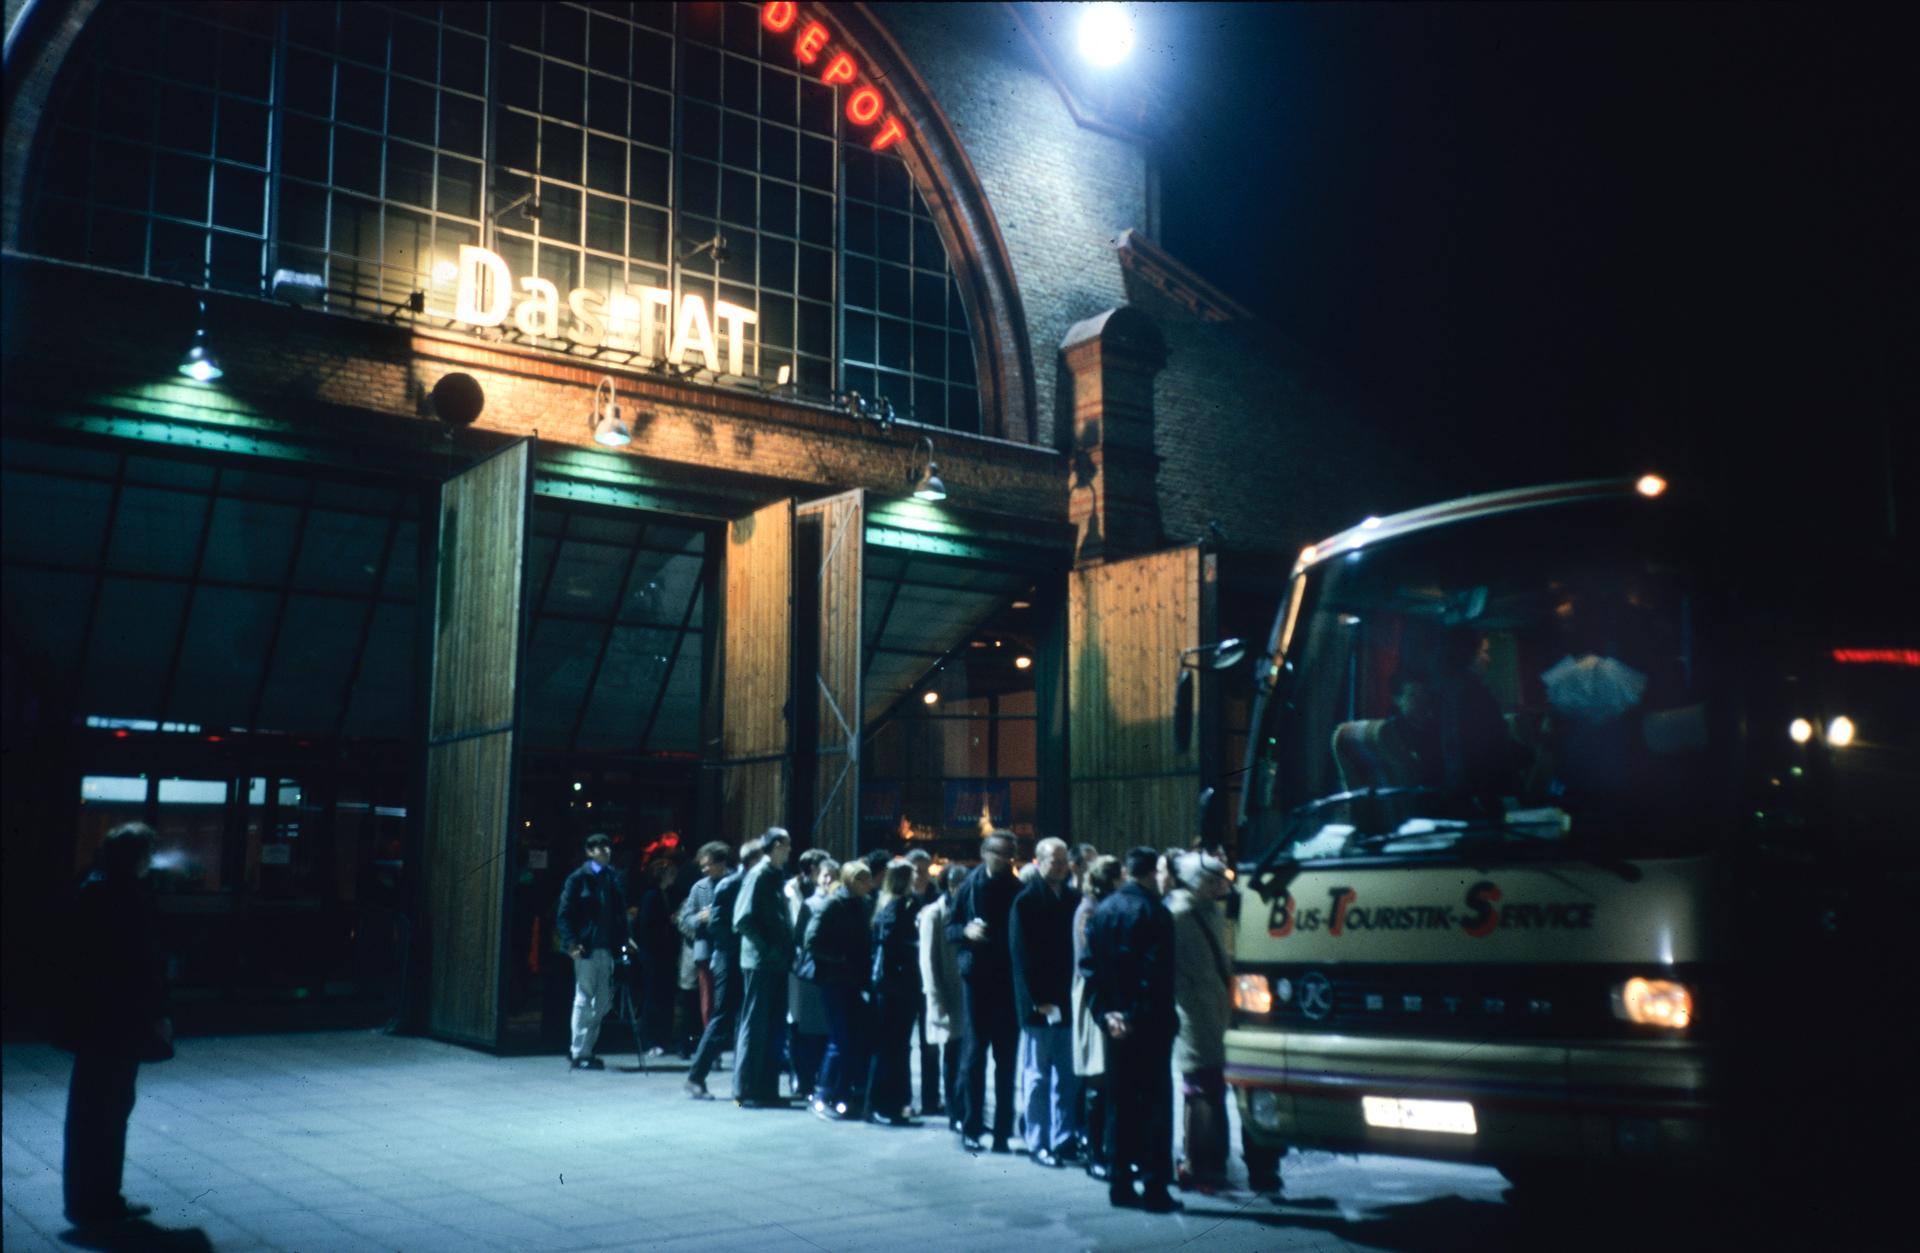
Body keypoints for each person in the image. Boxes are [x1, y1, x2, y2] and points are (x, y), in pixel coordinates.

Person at [57, 823, 169, 1228]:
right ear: (136, 856)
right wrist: (156, 1014)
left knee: (89, 1112)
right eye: (148, 852)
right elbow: (140, 964)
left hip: (94, 1021)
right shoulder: (126, 897)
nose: (151, 860)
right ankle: (103, 1199)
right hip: (120, 1022)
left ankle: (84, 1198)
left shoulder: (91, 889)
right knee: (110, 1111)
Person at [1086, 846, 1182, 1212]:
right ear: (1152, 873)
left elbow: (1089, 969)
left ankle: (1120, 1182)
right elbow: (1154, 975)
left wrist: (1108, 1015)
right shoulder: (1156, 913)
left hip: (1114, 1026)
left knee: (1119, 1102)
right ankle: (1155, 1186)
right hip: (1150, 1024)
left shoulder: (1102, 911)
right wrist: (1133, 1015)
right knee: (1155, 1103)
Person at [1010, 837, 1083, 1167]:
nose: (1061, 865)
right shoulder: (1026, 901)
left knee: (1067, 1076)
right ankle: (1038, 1141)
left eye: (1064, 860)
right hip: (1039, 1004)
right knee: (1038, 1076)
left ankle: (1064, 1138)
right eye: (1055, 860)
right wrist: (1037, 998)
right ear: (1039, 862)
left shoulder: (1073, 899)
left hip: (1067, 1000)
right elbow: (1021, 955)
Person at [948, 832, 1023, 1153]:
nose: (1007, 859)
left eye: (1011, 854)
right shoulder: (969, 886)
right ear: (985, 853)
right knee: (974, 1055)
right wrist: (966, 931)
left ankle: (1003, 1131)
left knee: (1007, 1057)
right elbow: (951, 927)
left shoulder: (1017, 888)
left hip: (1006, 981)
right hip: (977, 979)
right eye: (1001, 853)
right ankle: (971, 1124)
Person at [1168, 850, 1236, 1193]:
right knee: (1202, 1086)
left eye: (1220, 879)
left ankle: (1207, 1163)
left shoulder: (1209, 910)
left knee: (1207, 1084)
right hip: (1194, 1010)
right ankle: (1202, 1165)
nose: (1219, 886)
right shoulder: (1179, 915)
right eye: (1211, 880)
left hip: (1213, 1007)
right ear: (1195, 882)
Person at [557, 834, 636, 1070]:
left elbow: (619, 913)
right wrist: (572, 942)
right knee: (584, 998)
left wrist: (626, 937)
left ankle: (586, 1049)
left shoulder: (612, 877)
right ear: (590, 851)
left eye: (607, 847)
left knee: (602, 1001)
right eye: (601, 848)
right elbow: (564, 914)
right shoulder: (578, 878)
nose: (606, 851)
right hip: (586, 949)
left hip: (606, 948)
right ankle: (580, 1052)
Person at [731, 827, 795, 1107]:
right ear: (777, 845)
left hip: (775, 963)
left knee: (773, 1028)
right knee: (756, 1027)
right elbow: (742, 919)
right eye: (787, 844)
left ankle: (767, 1090)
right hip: (761, 963)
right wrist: (768, 948)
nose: (790, 850)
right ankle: (746, 1090)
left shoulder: (773, 874)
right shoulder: (759, 874)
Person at [805, 859, 873, 1119]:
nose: (869, 885)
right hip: (835, 980)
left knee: (850, 1041)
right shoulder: (834, 904)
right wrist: (839, 958)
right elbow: (811, 940)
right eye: (863, 880)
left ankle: (841, 1096)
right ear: (852, 881)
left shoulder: (861, 905)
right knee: (839, 1040)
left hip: (853, 980)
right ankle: (822, 1096)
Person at [1073, 854, 1124, 1183]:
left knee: (1109, 1076)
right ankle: (1095, 1153)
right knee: (1098, 1075)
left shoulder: (1100, 907)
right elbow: (1088, 959)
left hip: (1107, 994)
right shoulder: (1089, 911)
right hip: (1093, 996)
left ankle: (1109, 1148)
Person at [865, 859, 923, 1126]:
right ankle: (885, 1105)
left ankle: (893, 1104)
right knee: (893, 1047)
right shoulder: (897, 906)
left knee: (893, 1047)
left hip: (892, 985)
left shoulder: (886, 903)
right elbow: (890, 944)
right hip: (896, 985)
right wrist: (913, 945)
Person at [682, 841, 741, 1099]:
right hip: (710, 951)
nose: (704, 869)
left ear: (721, 862)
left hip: (729, 952)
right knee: (714, 1007)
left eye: (708, 864)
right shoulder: (700, 887)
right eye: (702, 865)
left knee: (726, 1012)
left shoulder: (735, 881)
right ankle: (704, 1065)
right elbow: (686, 919)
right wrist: (700, 918)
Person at [919, 861, 968, 1132]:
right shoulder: (934, 914)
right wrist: (936, 1000)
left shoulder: (966, 910)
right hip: (947, 994)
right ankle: (954, 1110)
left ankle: (963, 1108)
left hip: (965, 994)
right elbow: (927, 961)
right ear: (951, 886)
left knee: (963, 1055)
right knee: (951, 1054)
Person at [787, 855, 837, 1102]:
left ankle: (815, 1079)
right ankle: (804, 1080)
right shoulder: (810, 904)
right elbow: (800, 937)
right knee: (808, 1029)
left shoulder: (838, 902)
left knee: (823, 1028)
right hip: (811, 972)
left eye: (832, 876)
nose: (828, 880)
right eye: (825, 875)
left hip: (829, 973)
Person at [903, 847, 943, 1116]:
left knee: (931, 1043)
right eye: (916, 870)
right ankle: (905, 1097)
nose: (921, 875)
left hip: (929, 979)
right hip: (906, 979)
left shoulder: (936, 898)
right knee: (903, 1043)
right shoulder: (901, 899)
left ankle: (931, 1097)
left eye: (925, 870)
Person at [630, 855, 681, 1057]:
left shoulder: (661, 894)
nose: (673, 876)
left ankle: (659, 1040)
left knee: (659, 998)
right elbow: (648, 927)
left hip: (659, 955)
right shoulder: (653, 896)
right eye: (669, 873)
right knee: (654, 999)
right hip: (654, 956)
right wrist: (669, 925)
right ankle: (651, 1041)